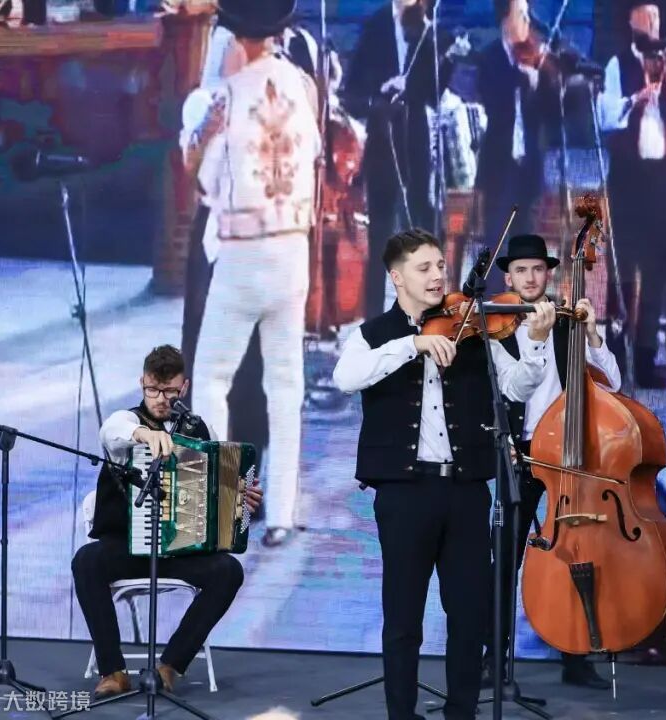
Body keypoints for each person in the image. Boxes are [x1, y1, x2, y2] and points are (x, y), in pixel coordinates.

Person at [333, 228, 555, 720]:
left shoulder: (473, 327)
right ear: (397, 277)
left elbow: (516, 387)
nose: (437, 276)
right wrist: (414, 343)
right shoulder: (373, 335)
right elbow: (346, 378)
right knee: (403, 617)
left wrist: (537, 343)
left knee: (469, 614)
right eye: (424, 268)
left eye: (439, 265)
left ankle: (462, 713)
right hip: (405, 493)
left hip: (467, 490)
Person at [190, 0, 321, 548]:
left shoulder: (226, 95)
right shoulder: (303, 87)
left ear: (235, 35)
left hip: (244, 253)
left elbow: (203, 179)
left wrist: (202, 134)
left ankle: (219, 512)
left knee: (211, 379)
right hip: (292, 250)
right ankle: (282, 514)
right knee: (285, 383)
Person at [72, 345, 262, 698]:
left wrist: (241, 499)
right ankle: (113, 670)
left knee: (228, 571)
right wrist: (145, 434)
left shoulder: (199, 429)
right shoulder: (126, 422)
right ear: (142, 383)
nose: (160, 399)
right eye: (153, 390)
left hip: (182, 549)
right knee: (86, 561)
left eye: (169, 391)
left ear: (183, 387)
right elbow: (111, 431)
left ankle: (170, 666)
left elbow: (218, 488)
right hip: (129, 546)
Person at [480, 234, 620, 689]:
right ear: (508, 278)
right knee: (504, 559)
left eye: (537, 269)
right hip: (519, 455)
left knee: (574, 556)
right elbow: (501, 392)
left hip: (567, 457)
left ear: (548, 274)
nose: (530, 277)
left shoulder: (568, 321)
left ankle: (576, 658)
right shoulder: (496, 328)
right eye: (521, 270)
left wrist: (593, 334)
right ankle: (494, 660)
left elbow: (612, 384)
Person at [342, 0, 455, 318]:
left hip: (416, 140)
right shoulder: (376, 25)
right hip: (383, 138)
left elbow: (433, 93)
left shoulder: (429, 29)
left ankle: (427, 312)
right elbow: (352, 91)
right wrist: (379, 94)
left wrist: (445, 60)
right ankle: (374, 317)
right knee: (380, 232)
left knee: (423, 227)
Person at [597, 1, 666, 387]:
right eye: (645, 18)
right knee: (622, 267)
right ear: (632, 22)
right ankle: (616, 355)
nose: (653, 24)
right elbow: (606, 115)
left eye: (656, 18)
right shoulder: (618, 64)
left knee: (656, 271)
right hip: (627, 177)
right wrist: (636, 99)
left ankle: (647, 356)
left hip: (662, 178)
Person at [475, 0, 558, 275]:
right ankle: (494, 298)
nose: (527, 21)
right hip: (500, 164)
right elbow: (493, 103)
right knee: (496, 240)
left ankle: (522, 298)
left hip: (530, 164)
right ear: (505, 20)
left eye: (527, 15)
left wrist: (543, 81)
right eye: (521, 15)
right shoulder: (489, 58)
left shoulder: (537, 57)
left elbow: (554, 112)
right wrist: (520, 78)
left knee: (526, 243)